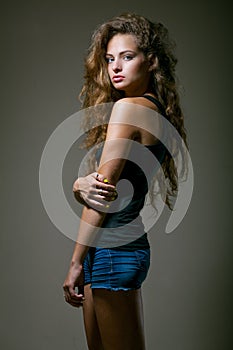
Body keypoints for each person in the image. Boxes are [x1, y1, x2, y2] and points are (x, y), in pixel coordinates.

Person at [63, 12, 188, 350]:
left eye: (127, 56)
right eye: (109, 59)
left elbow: (102, 197)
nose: (115, 66)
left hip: (112, 251)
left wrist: (75, 262)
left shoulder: (129, 109)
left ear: (151, 62)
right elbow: (106, 190)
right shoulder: (153, 109)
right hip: (110, 249)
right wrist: (79, 186)